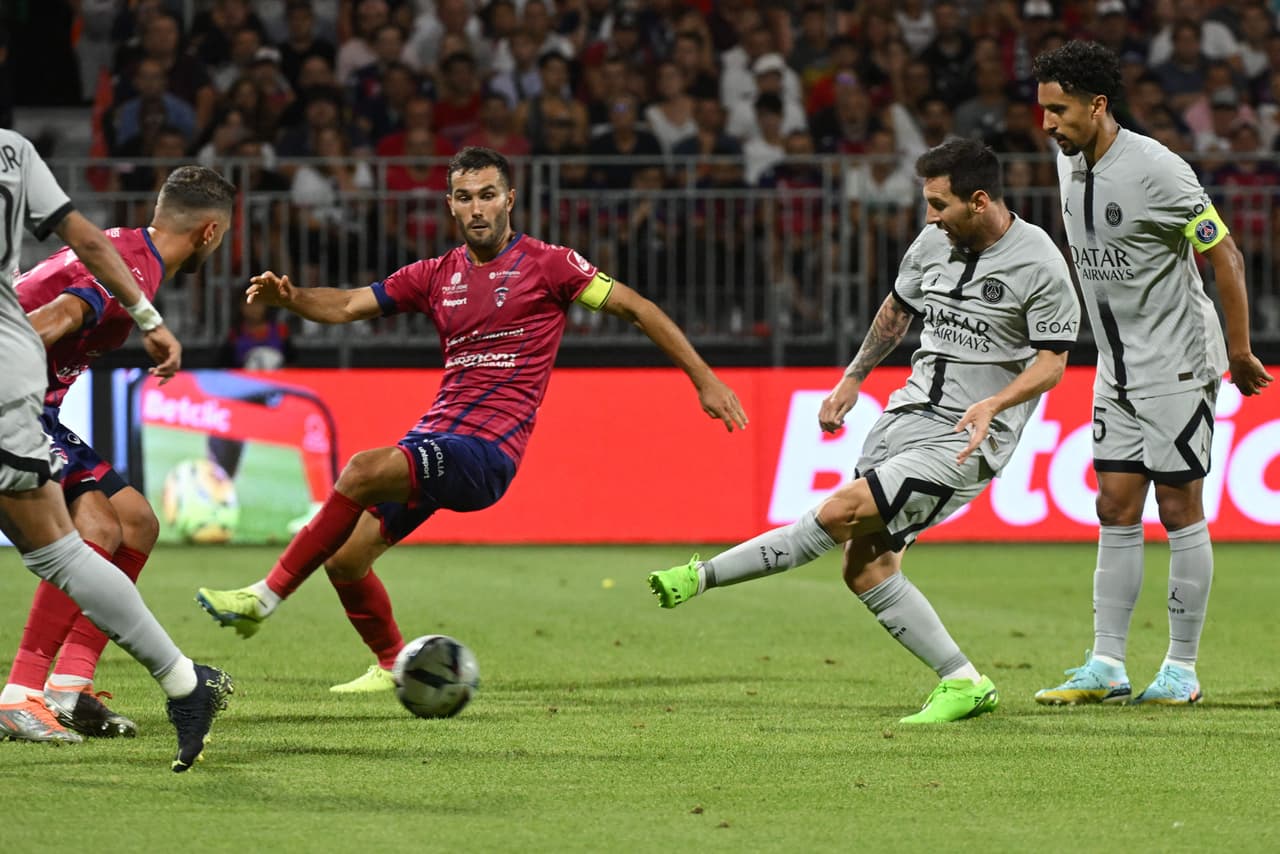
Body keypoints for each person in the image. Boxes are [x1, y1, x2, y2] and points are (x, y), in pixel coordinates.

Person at [195, 147, 747, 691]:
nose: (477, 208)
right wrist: (292, 299)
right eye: (465, 198)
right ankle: (392, 664)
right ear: (451, 206)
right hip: (438, 438)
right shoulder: (435, 274)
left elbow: (636, 307)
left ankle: (263, 597)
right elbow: (345, 306)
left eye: (487, 195)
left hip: (487, 455)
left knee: (362, 469)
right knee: (347, 559)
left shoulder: (550, 264)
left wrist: (704, 378)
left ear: (510, 199)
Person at [648, 137, 1081, 724]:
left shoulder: (1040, 262)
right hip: (905, 415)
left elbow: (1053, 362)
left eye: (939, 204)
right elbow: (896, 310)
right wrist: (852, 379)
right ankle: (963, 680)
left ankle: (702, 576)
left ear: (979, 201)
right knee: (865, 567)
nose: (929, 217)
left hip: (967, 438)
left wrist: (996, 403)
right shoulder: (934, 242)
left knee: (840, 511)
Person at [1031, 42, 1272, 707]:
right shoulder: (1067, 160)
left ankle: (1182, 669)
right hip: (1116, 366)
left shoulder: (1159, 169)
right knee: (1113, 504)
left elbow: (1224, 252)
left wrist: (1240, 348)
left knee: (1178, 505)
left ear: (1097, 105)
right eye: (1044, 110)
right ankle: (1107, 664)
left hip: (1177, 362)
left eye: (1060, 110)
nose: (1048, 124)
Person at [0, 130, 232, 770]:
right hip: (15, 402)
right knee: (95, 528)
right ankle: (22, 691)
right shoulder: (133, 269)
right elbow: (52, 324)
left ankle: (69, 687)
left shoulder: (129, 250)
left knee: (136, 522)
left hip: (34, 403)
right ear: (209, 234)